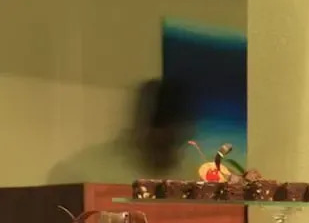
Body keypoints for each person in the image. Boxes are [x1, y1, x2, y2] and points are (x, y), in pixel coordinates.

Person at [47, 78, 197, 184]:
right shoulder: (82, 174)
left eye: (176, 141)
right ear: (141, 127)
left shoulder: (190, 177)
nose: (167, 151)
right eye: (161, 142)